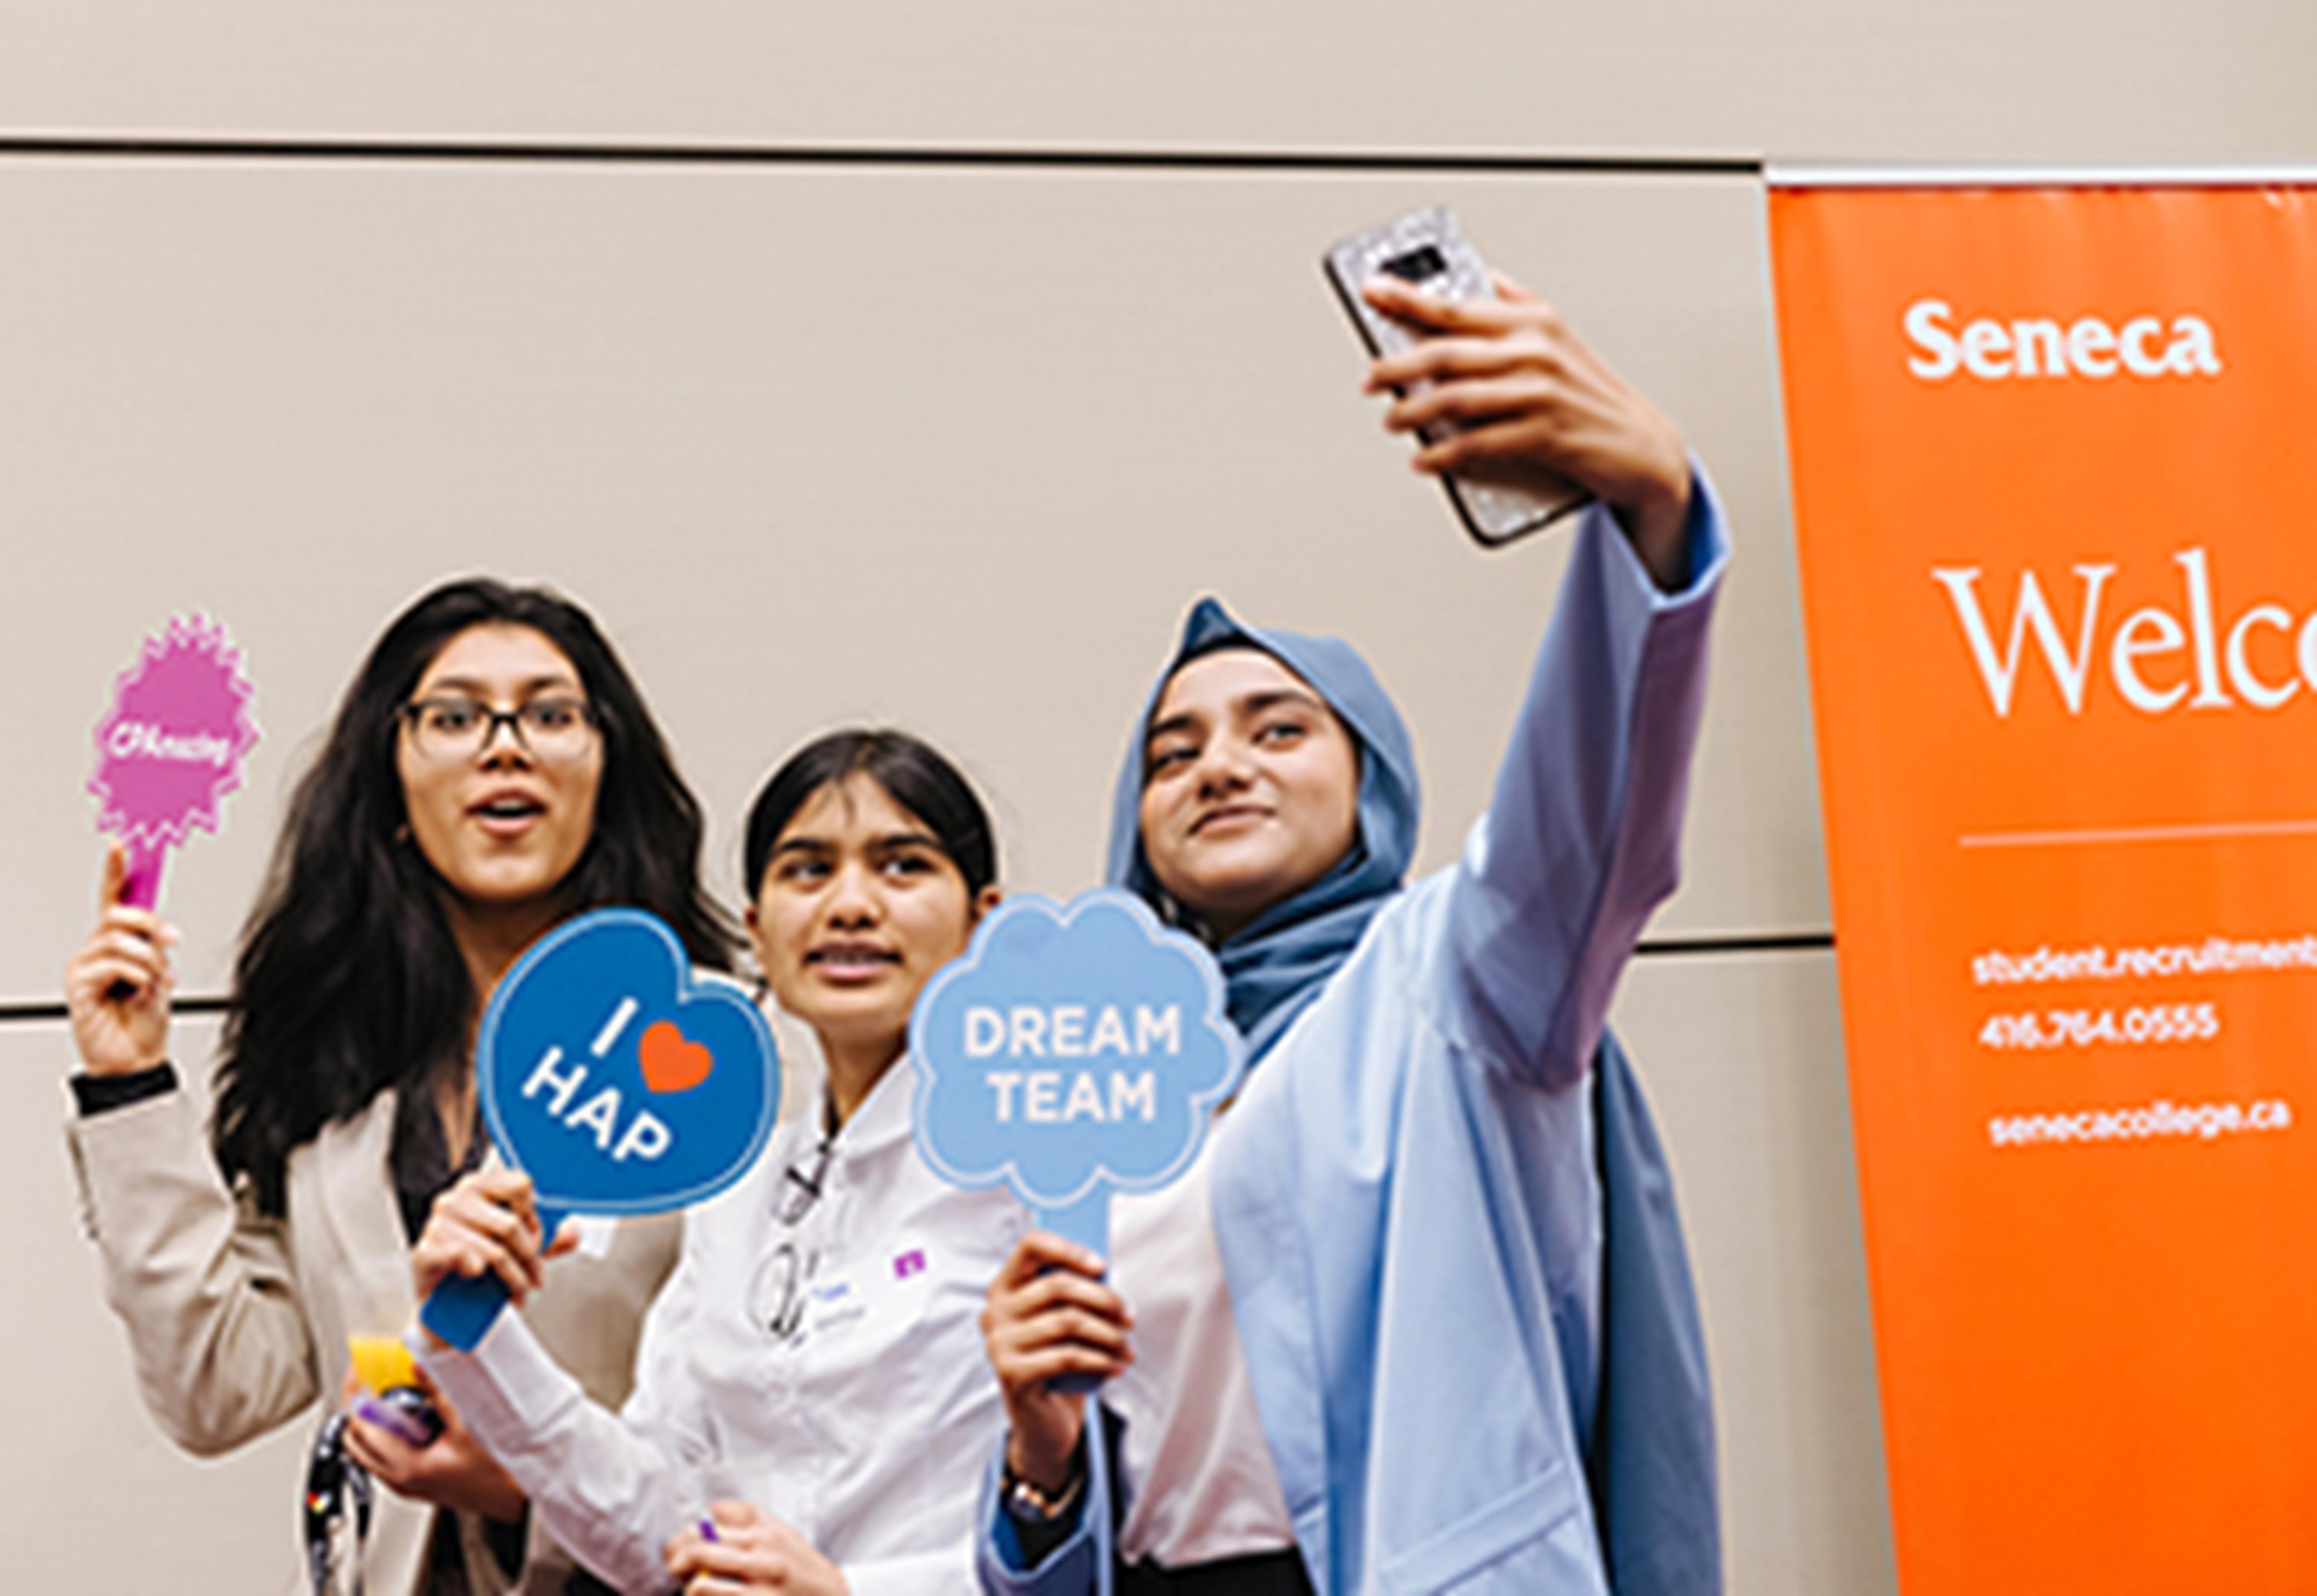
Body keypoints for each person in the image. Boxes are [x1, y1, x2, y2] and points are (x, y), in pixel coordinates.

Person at [976, 271, 1726, 1595]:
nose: (1220, 767)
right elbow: (1109, 1493)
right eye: (1173, 751)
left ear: (1367, 777)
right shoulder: (1101, 1082)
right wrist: (1041, 1467)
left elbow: (1585, 832)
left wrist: (1649, 516)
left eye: (1279, 728)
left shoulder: (1457, 982)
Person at [63, 577, 738, 1594]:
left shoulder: (708, 1064)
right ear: (391, 795)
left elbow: (780, 1436)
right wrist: (130, 1084)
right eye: (454, 716)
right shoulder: (335, 1083)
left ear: (608, 776)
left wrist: (527, 1491)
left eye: (551, 714)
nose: (503, 744)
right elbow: (216, 1387)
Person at [414, 728, 1026, 1596]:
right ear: (757, 933)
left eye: (902, 865)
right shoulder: (739, 1184)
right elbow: (659, 1521)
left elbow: (1110, 1520)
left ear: (984, 921)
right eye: (807, 869)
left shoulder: (1041, 1174)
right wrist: (470, 1334)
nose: (850, 904)